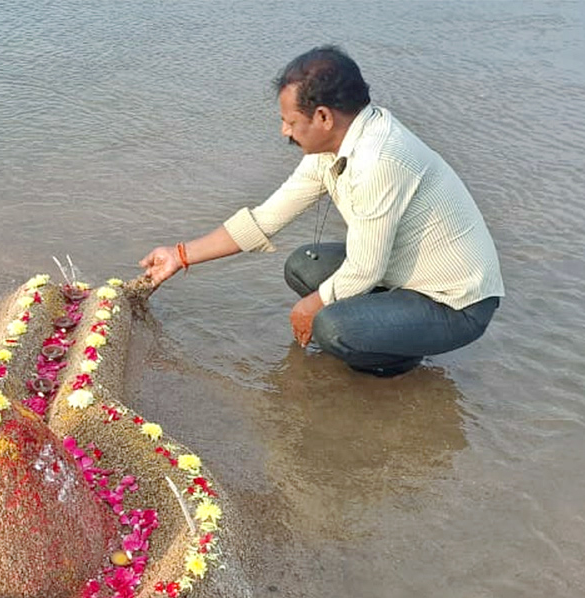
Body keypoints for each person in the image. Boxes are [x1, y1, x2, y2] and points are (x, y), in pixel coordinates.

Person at [140, 45, 504, 377]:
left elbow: (366, 269)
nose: (284, 130)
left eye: (291, 121)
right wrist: (180, 255)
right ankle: (389, 332)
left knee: (332, 326)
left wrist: (311, 307)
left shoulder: (379, 160)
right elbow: (266, 218)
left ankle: (395, 361)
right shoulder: (335, 146)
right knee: (303, 268)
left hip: (455, 303)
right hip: (405, 273)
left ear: (324, 117)